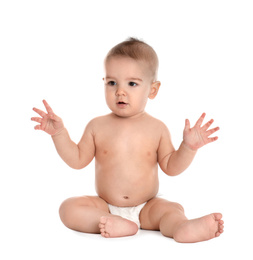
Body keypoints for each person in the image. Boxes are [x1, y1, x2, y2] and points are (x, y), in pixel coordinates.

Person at [31, 38, 224, 243]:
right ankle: (114, 223)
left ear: (152, 90)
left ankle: (182, 227)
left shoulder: (157, 128)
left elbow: (171, 167)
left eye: (132, 83)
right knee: (68, 208)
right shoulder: (96, 126)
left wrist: (188, 147)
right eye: (112, 82)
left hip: (147, 206)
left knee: (171, 209)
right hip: (104, 206)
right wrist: (59, 134)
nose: (120, 91)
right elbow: (77, 160)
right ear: (103, 82)